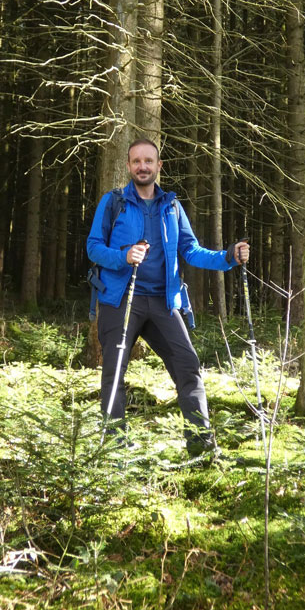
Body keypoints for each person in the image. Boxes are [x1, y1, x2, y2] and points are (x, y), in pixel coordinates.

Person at [86, 138, 250, 460]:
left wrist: (229, 256)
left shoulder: (172, 206)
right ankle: (115, 449)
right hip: (121, 300)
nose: (142, 166)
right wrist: (124, 255)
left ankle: (201, 448)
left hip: (163, 302)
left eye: (149, 161)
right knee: (114, 371)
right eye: (136, 161)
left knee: (187, 365)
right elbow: (93, 247)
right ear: (129, 166)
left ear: (159, 166)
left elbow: (191, 251)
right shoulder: (113, 202)